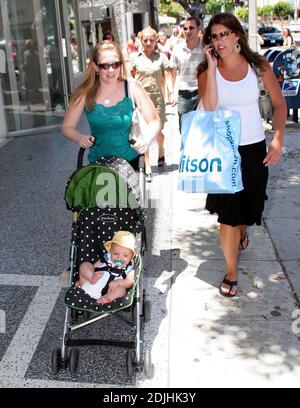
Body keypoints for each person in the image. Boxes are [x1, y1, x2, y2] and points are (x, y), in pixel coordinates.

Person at [197, 13, 286, 297]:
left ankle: (243, 233)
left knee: (248, 210)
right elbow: (209, 108)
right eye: (214, 36)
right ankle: (232, 271)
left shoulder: (258, 66)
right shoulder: (205, 71)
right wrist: (211, 69)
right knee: (228, 216)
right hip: (223, 151)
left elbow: (279, 104)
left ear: (237, 35)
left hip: (254, 151)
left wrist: (277, 141)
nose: (219, 40)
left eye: (224, 34)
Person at [61, 41, 161, 171]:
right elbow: (67, 127)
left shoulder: (131, 87)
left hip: (131, 163)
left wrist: (146, 141)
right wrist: (80, 137)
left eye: (116, 64)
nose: (111, 70)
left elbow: (154, 121)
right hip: (98, 164)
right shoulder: (85, 92)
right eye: (105, 66)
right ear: (96, 67)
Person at [131, 26, 175, 181]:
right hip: (141, 100)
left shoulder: (162, 57)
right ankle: (148, 166)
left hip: (157, 99)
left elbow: (168, 75)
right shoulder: (135, 58)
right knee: (144, 133)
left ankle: (161, 149)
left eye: (151, 40)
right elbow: (130, 78)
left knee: (158, 132)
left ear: (156, 40)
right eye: (145, 40)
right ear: (141, 41)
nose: (148, 43)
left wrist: (171, 91)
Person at [77, 231, 136, 304]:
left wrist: (118, 283)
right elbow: (94, 267)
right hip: (89, 286)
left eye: (125, 256)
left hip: (109, 291)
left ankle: (107, 298)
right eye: (115, 253)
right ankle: (91, 277)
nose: (119, 257)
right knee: (85, 265)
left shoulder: (129, 268)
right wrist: (86, 277)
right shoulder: (106, 258)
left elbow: (129, 282)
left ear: (131, 257)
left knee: (122, 290)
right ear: (110, 251)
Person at [170, 17, 204, 133]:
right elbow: (173, 72)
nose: (188, 31)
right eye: (185, 28)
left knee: (202, 129)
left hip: (202, 93)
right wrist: (171, 92)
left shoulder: (205, 47)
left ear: (199, 29)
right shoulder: (177, 48)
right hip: (184, 94)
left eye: (191, 28)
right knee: (184, 130)